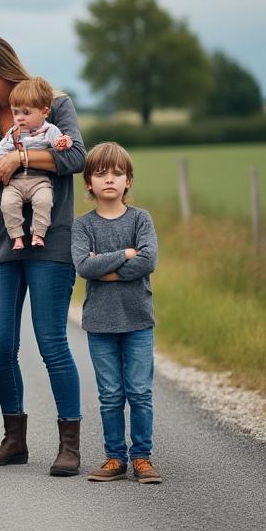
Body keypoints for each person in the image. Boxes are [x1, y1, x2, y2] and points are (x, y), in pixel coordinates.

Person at [0, 35, 84, 474]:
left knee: (52, 343)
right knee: (1, 346)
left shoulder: (54, 104)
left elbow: (77, 158)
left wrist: (21, 156)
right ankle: (15, 440)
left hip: (52, 243)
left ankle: (70, 445)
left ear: (8, 72)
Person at [71, 142, 162, 484]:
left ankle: (141, 457)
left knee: (139, 392)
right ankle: (114, 458)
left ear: (128, 181)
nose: (109, 179)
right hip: (100, 324)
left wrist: (105, 267)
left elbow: (148, 261)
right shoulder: (83, 226)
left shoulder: (141, 219)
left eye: (117, 173)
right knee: (110, 395)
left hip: (138, 320)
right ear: (89, 184)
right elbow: (83, 265)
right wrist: (125, 253)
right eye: (101, 173)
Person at [0, 77, 72, 250]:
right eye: (16, 112)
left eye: (26, 113)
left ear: (44, 112)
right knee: (8, 203)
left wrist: (64, 142)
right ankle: (17, 237)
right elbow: (0, 151)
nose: (20, 118)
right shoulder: (14, 133)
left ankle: (38, 234)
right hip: (15, 183)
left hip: (39, 182)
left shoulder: (50, 130)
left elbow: (63, 147)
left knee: (44, 201)